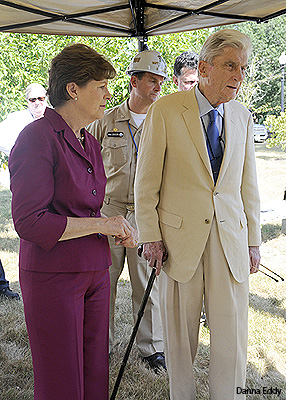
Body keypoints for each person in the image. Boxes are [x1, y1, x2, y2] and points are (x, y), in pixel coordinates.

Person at [134, 29, 261, 400]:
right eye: (230, 66)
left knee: (231, 334)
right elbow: (146, 182)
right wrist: (150, 236)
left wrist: (253, 241)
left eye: (243, 67)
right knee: (179, 337)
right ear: (203, 67)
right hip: (178, 243)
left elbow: (248, 186)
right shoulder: (167, 110)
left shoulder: (242, 116)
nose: (239, 75)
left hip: (230, 242)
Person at [9, 43, 137, 400]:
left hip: (95, 270)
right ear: (73, 89)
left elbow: (88, 208)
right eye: (101, 86)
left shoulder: (89, 141)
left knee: (94, 375)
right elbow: (30, 222)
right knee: (61, 382)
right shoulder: (35, 139)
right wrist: (103, 225)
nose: (109, 95)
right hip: (54, 276)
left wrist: (118, 228)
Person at [87, 50, 168, 372]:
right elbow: (86, 163)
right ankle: (99, 344)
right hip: (109, 213)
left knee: (148, 285)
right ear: (134, 81)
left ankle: (151, 348)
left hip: (146, 215)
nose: (158, 86)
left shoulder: (165, 121)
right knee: (103, 282)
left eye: (161, 80)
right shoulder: (105, 121)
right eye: (152, 80)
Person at [0, 83, 47, 156]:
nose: (37, 103)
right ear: (27, 101)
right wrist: (18, 153)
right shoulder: (16, 118)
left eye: (40, 98)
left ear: (45, 98)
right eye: (33, 100)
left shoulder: (56, 116)